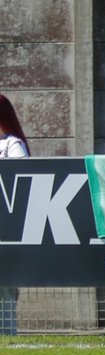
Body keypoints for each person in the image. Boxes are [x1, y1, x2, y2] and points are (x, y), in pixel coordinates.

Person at [0, 93, 30, 336]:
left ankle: (6, 340)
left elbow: (23, 183)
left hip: (5, 232)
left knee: (4, 292)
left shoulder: (12, 144)